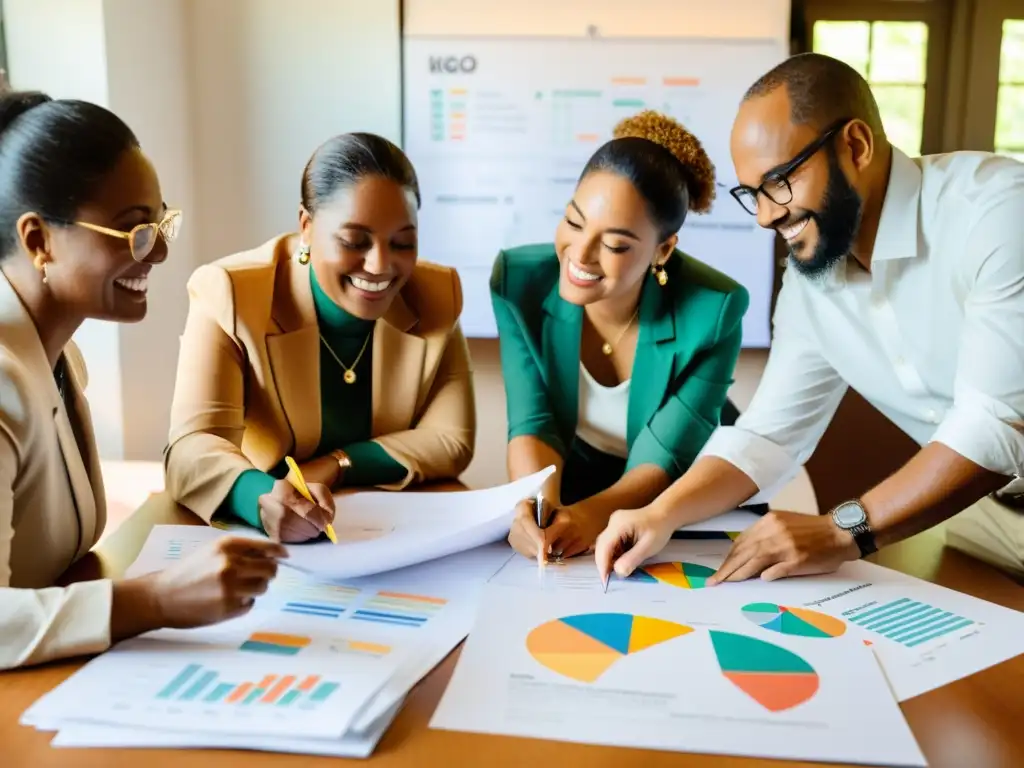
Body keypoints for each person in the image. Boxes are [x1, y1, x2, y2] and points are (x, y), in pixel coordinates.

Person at [595, 52, 1024, 584]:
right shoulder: (809, 282)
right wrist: (662, 513)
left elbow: (995, 423)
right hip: (984, 513)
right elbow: (768, 437)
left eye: (779, 181)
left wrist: (841, 531)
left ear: (856, 146)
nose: (766, 215)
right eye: (752, 193)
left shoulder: (998, 211)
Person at [0, 91, 286, 671]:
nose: (156, 252)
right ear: (38, 241)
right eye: (134, 230)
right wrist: (157, 598)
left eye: (161, 224)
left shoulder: (59, 356)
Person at [165, 133, 475, 542]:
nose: (381, 265)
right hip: (272, 535)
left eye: (403, 243)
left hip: (385, 535)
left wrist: (338, 464)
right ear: (307, 227)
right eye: (354, 241)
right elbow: (190, 450)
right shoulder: (231, 292)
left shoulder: (436, 293)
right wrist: (260, 498)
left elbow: (452, 441)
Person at [493, 110, 750, 561]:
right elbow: (534, 423)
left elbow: (663, 456)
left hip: (683, 501)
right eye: (574, 223)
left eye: (614, 245)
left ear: (663, 249)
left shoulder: (714, 310)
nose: (580, 255)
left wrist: (593, 518)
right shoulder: (518, 283)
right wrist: (536, 508)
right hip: (579, 483)